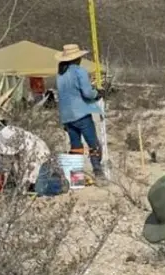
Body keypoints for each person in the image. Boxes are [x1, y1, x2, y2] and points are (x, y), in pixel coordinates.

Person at [0, 124, 65, 199]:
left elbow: (25, 172)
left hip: (40, 160)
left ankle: (59, 183)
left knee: (38, 190)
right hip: (17, 160)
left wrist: (19, 190)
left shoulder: (30, 148)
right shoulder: (2, 136)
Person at [55, 43, 105, 180]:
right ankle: (98, 173)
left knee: (75, 146)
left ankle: (76, 178)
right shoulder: (79, 71)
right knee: (93, 144)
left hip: (67, 116)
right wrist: (98, 93)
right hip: (81, 114)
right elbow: (88, 93)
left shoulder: (60, 74)